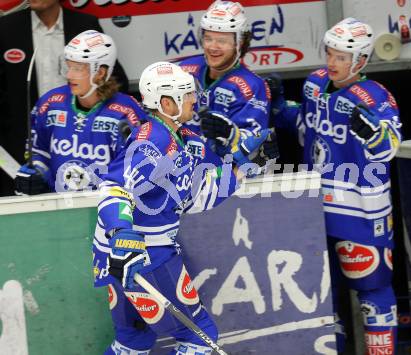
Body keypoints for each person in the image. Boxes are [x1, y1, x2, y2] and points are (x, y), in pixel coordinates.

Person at [93, 61, 276, 354]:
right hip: (143, 254)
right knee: (199, 334)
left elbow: (196, 195)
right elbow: (114, 188)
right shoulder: (151, 141)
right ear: (166, 102)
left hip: (123, 255)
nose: (194, 99)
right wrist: (121, 232)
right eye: (186, 94)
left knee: (133, 339)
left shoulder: (186, 139)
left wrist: (245, 164)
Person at [266, 18, 402, 355]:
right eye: (330, 53)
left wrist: (374, 133)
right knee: (324, 297)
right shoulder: (314, 84)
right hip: (316, 208)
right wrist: (281, 108)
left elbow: (390, 146)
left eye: (341, 57)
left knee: (373, 292)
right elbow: (305, 128)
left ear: (360, 60)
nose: (332, 62)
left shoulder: (376, 97)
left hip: (361, 210)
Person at [0, 0, 129, 196]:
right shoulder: (6, 28)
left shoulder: (84, 25)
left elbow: (114, 81)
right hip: (22, 150)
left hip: (79, 147)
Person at [14, 30, 142, 195]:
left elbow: (137, 168)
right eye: (68, 66)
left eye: (78, 68)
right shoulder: (51, 103)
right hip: (59, 210)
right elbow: (39, 152)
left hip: (109, 210)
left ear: (100, 72)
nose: (69, 75)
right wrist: (35, 176)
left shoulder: (127, 113)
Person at [179, 1, 269, 139]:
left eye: (222, 41)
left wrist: (231, 135)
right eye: (208, 39)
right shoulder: (184, 70)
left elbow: (255, 142)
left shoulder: (252, 87)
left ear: (239, 43)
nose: (213, 47)